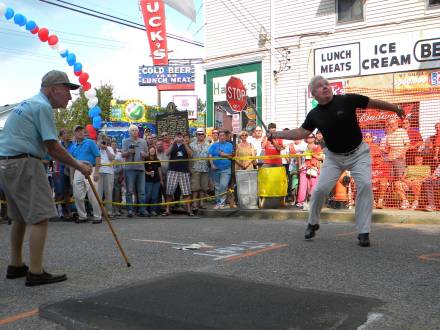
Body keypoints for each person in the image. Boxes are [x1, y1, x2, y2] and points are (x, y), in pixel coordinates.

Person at [269, 75, 405, 247]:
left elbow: (374, 103)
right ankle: (312, 223)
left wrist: (395, 108)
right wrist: (276, 134)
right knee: (319, 190)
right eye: (320, 86)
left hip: (359, 154)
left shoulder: (347, 100)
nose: (325, 86)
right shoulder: (314, 114)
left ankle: (363, 231)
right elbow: (300, 133)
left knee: (364, 185)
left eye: (326, 84)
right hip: (333, 157)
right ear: (314, 94)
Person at [0, 70, 93, 286]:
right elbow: (53, 147)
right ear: (53, 89)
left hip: (6, 162)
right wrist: (79, 165)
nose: (70, 96)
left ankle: (15, 264)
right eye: (67, 90)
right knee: (40, 216)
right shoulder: (41, 107)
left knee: (20, 217)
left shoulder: (28, 103)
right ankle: (35, 271)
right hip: (24, 162)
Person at [68, 125, 102, 224]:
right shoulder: (73, 146)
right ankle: (82, 216)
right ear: (74, 134)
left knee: (93, 194)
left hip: (91, 168)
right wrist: (71, 177)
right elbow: (71, 163)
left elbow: (97, 156)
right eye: (77, 131)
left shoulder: (90, 142)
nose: (80, 132)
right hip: (78, 170)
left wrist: (96, 172)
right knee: (77, 195)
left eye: (81, 130)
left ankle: (97, 216)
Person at [163, 132, 193, 216]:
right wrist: (173, 143)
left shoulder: (186, 145)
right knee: (169, 192)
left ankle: (189, 210)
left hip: (184, 171)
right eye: (178, 136)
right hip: (173, 171)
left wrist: (184, 143)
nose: (179, 138)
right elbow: (167, 153)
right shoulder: (173, 145)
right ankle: (167, 210)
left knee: (186, 192)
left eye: (181, 136)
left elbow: (190, 154)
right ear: (175, 137)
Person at [122, 125, 148, 217]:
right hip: (129, 169)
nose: (134, 132)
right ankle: (129, 210)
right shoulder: (125, 141)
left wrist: (144, 154)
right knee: (129, 190)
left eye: (136, 130)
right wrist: (129, 152)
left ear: (138, 132)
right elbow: (122, 154)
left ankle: (142, 210)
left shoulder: (143, 141)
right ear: (129, 132)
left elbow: (147, 154)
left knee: (141, 191)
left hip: (141, 169)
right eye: (132, 130)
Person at [295, 134, 323, 208]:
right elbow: (298, 156)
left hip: (314, 168)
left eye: (311, 137)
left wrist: (312, 154)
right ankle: (300, 202)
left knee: (313, 186)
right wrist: (300, 165)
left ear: (314, 138)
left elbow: (320, 158)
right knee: (302, 186)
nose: (309, 139)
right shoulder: (302, 147)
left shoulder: (318, 147)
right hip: (304, 168)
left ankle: (313, 202)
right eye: (308, 137)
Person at [208, 130, 234, 209]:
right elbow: (210, 155)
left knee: (223, 185)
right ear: (218, 137)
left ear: (226, 137)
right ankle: (218, 202)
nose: (222, 137)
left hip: (226, 169)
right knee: (217, 186)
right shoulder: (214, 145)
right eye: (220, 135)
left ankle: (222, 202)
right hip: (215, 169)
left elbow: (232, 155)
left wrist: (224, 154)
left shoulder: (230, 145)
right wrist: (212, 165)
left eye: (223, 135)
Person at [53, 128, 73, 220]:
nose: (66, 135)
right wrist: (56, 170)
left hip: (71, 170)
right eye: (64, 133)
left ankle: (69, 211)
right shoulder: (58, 145)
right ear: (61, 136)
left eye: (67, 133)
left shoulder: (72, 144)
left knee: (69, 191)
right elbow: (56, 159)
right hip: (61, 170)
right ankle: (61, 211)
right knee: (60, 191)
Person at [190, 128, 210, 211]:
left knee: (203, 187)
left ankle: (201, 203)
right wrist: (190, 168)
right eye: (199, 134)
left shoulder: (208, 144)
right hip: (195, 168)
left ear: (204, 135)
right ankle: (194, 203)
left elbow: (210, 155)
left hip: (205, 168)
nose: (200, 135)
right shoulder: (192, 145)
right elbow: (189, 157)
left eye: (202, 134)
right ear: (196, 135)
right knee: (195, 187)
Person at [97, 136, 115, 217]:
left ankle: (109, 212)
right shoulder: (96, 148)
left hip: (108, 172)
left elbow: (112, 158)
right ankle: (98, 212)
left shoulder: (110, 148)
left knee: (108, 193)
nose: (103, 142)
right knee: (98, 193)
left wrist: (106, 148)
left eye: (105, 141)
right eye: (102, 141)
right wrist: (98, 147)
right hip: (99, 172)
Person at [144, 146, 163, 216]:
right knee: (148, 195)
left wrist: (161, 180)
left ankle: (153, 210)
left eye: (153, 151)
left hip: (156, 180)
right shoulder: (145, 159)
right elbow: (143, 169)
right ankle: (145, 209)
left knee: (154, 196)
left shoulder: (157, 159)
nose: (152, 152)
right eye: (151, 150)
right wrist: (148, 173)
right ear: (148, 151)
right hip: (148, 180)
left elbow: (159, 170)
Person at [111, 140, 124, 216]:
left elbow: (122, 166)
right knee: (111, 191)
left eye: (115, 144)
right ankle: (112, 208)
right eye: (112, 144)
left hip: (118, 174)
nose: (114, 146)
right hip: (110, 174)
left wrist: (121, 176)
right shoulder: (108, 153)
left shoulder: (119, 154)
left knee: (118, 192)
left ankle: (118, 208)